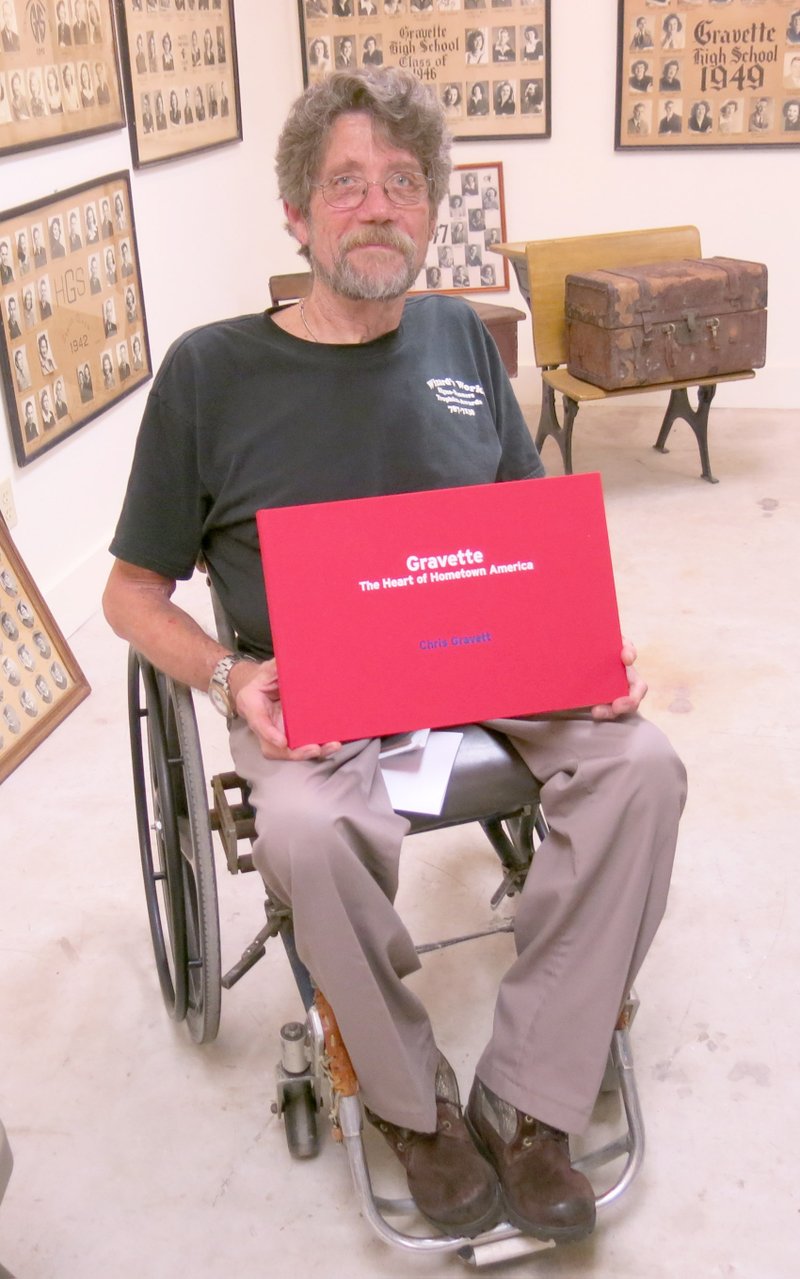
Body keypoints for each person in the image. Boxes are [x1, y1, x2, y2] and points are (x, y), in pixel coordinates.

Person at [103, 67, 686, 1246]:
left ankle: (529, 1100)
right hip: (317, 684)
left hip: (485, 657)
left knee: (642, 767)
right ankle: (411, 1106)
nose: (377, 207)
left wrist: (585, 642)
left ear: (430, 209)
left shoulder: (457, 335)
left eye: (402, 184)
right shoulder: (212, 376)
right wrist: (227, 676)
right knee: (308, 833)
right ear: (297, 214)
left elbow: (534, 526)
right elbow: (129, 595)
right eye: (346, 184)